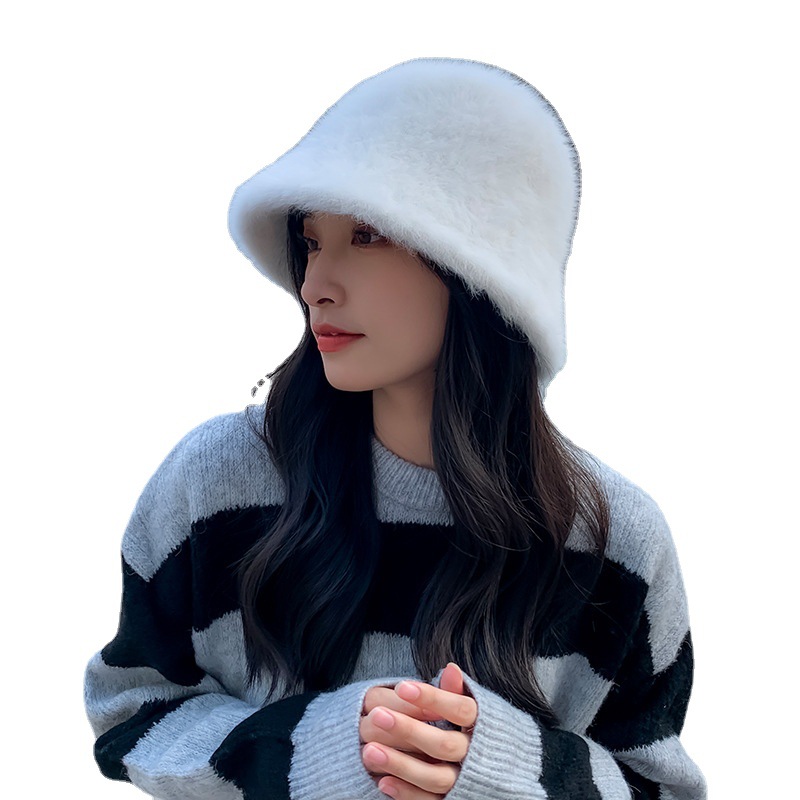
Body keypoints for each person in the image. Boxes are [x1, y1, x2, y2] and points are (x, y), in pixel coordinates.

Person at [84, 57, 707, 800]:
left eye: (368, 235)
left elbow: (659, 787)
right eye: (312, 241)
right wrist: (306, 747)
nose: (315, 284)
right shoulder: (216, 482)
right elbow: (129, 711)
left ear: (483, 270)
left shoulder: (615, 543)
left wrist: (499, 769)